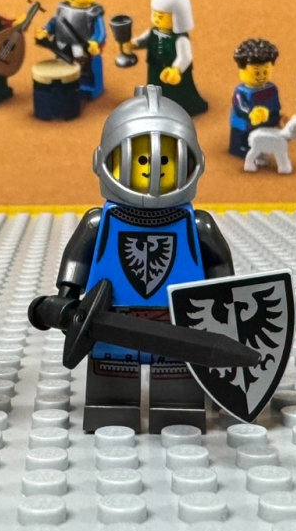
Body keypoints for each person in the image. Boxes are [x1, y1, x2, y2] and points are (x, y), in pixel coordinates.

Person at [44, 85, 233, 432]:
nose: (153, 170)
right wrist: (66, 296)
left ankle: (178, 412)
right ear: (103, 161)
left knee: (177, 391)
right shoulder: (99, 222)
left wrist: (224, 306)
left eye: (165, 160)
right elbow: (77, 260)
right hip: (108, 320)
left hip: (180, 324)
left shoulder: (197, 225)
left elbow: (220, 270)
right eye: (142, 159)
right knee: (111, 387)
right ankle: (110, 410)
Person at [126, 0, 208, 116]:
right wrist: (134, 44)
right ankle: (154, 104)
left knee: (175, 92)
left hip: (171, 71)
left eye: (161, 16)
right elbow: (144, 40)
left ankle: (178, 109)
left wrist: (176, 69)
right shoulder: (153, 31)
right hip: (155, 66)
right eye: (154, 15)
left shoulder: (180, 38)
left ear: (176, 18)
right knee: (154, 87)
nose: (156, 19)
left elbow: (185, 56)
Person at [37, 0, 107, 99]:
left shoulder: (93, 12)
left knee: (87, 68)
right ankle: (66, 84)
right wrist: (46, 31)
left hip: (84, 48)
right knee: (62, 65)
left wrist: (95, 42)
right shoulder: (62, 8)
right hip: (62, 44)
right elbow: (55, 22)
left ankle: (90, 86)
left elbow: (100, 31)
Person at [229, 38, 281, 158]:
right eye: (257, 73)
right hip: (244, 125)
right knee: (243, 137)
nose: (261, 76)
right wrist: (251, 113)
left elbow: (275, 106)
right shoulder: (241, 91)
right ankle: (242, 148)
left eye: (265, 72)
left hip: (265, 123)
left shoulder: (271, 89)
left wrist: (274, 116)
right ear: (242, 69)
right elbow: (241, 107)